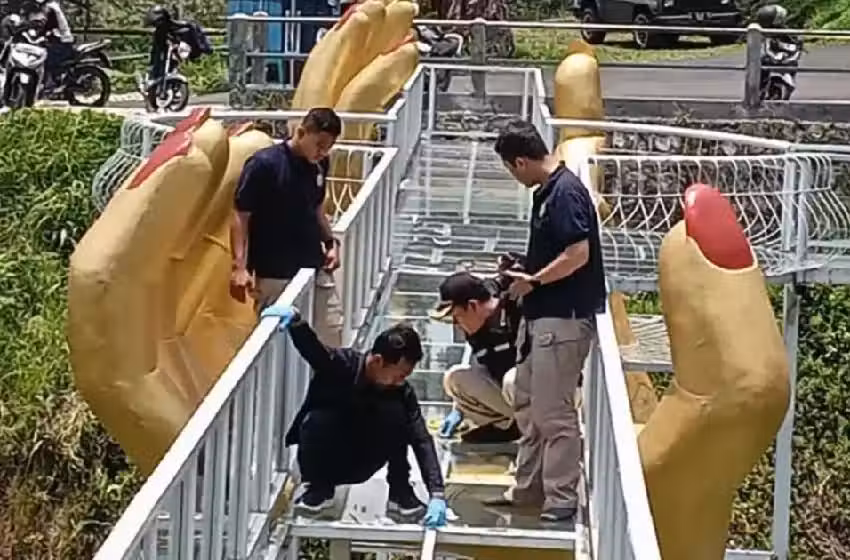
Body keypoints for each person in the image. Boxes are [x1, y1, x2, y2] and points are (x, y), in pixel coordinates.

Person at [484, 119, 606, 524]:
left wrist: (533, 281)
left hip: (563, 320)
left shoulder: (565, 192)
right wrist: (524, 268)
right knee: (529, 405)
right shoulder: (548, 192)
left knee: (554, 414)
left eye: (511, 169)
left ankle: (560, 498)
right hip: (543, 319)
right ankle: (527, 489)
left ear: (520, 162)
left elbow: (577, 254)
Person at [262, 303, 447, 528]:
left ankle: (400, 492)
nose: (401, 382)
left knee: (398, 415)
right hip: (328, 458)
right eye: (399, 375)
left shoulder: (400, 392)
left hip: (364, 461)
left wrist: (437, 493)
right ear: (378, 361)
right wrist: (296, 322)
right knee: (316, 420)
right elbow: (315, 352)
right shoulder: (343, 365)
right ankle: (319, 490)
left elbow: (421, 439)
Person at [231, 107, 345, 347]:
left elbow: (316, 208)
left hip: (313, 265)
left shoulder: (320, 164)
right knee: (277, 344)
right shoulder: (264, 164)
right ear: (301, 133)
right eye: (319, 145)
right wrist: (239, 267)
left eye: (328, 147)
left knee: (331, 331)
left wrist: (330, 242)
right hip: (275, 272)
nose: (322, 152)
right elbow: (241, 216)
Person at [430, 270, 523, 445]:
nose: (457, 325)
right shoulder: (475, 331)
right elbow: (483, 367)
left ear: (473, 306)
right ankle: (507, 427)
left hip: (545, 394)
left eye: (457, 317)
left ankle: (538, 434)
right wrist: (459, 410)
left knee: (513, 379)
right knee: (455, 378)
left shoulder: (514, 313)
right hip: (511, 394)